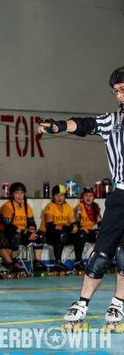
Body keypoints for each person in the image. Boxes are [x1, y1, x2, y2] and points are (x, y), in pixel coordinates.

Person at [38, 66, 124, 331]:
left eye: (122, 91)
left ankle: (118, 304)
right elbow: (86, 124)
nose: (119, 97)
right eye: (116, 92)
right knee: (101, 254)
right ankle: (82, 303)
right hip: (121, 195)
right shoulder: (114, 122)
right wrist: (60, 126)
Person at [0, 182, 47, 275]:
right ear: (12, 194)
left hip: (23, 233)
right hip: (9, 234)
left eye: (21, 193)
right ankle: (13, 261)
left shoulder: (26, 207)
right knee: (16, 236)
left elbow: (31, 223)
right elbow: (9, 226)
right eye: (16, 193)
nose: (19, 196)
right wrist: (26, 233)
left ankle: (37, 263)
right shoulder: (7, 206)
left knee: (40, 235)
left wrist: (31, 232)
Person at [39, 185, 77, 273]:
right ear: (53, 196)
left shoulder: (67, 207)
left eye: (62, 195)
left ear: (64, 196)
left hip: (63, 233)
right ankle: (58, 262)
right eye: (57, 195)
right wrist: (67, 227)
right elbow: (50, 226)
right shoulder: (50, 206)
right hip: (48, 234)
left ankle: (78, 261)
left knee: (80, 235)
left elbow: (74, 223)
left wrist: (74, 227)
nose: (59, 198)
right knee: (60, 233)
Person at [72, 188, 102, 273]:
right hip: (80, 231)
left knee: (102, 236)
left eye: (90, 196)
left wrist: (101, 230)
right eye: (86, 196)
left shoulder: (95, 207)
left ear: (93, 197)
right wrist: (82, 227)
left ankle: (100, 261)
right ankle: (78, 261)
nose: (88, 198)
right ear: (82, 197)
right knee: (81, 235)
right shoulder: (80, 207)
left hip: (90, 231)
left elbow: (100, 222)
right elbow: (76, 222)